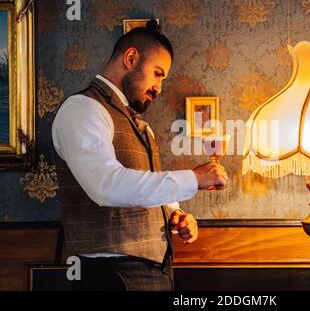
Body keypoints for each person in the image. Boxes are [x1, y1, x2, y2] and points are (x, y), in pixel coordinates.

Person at [51, 19, 228, 291]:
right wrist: (194, 178)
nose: (159, 87)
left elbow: (143, 185)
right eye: (157, 73)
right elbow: (106, 186)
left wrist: (175, 213)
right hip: (109, 275)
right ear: (131, 58)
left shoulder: (142, 127)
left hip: (154, 272)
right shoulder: (82, 109)